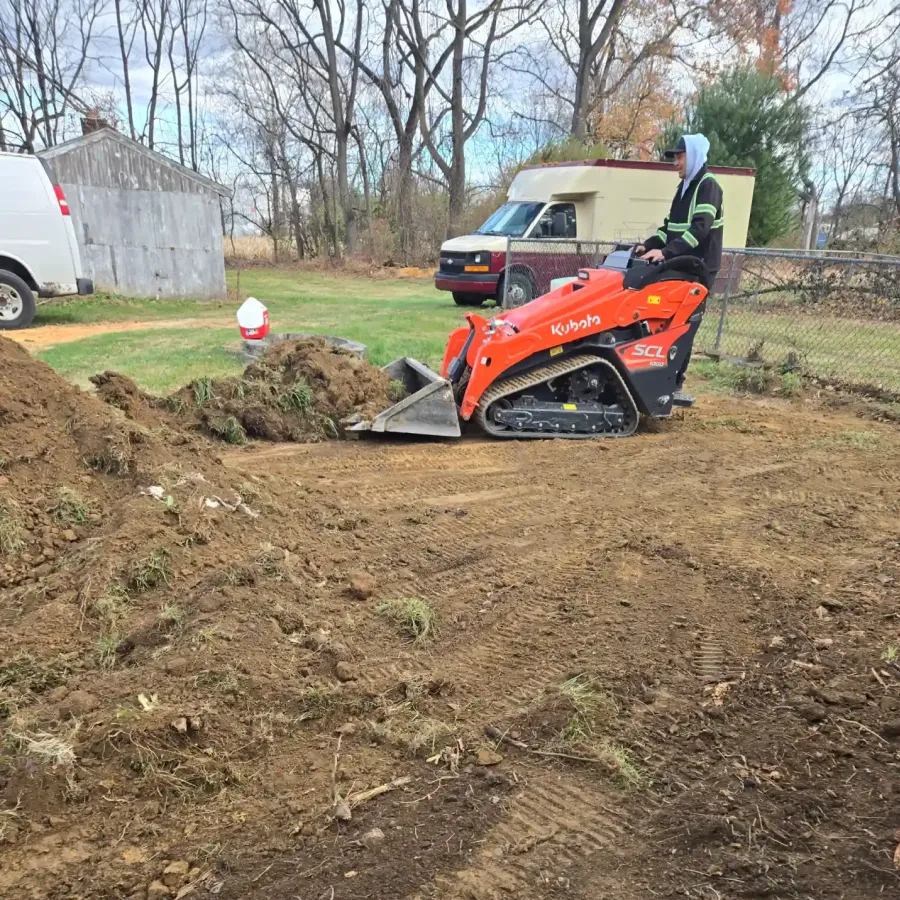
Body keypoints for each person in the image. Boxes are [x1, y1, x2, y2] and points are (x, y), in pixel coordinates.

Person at [636, 133, 724, 396]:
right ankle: (656, 374)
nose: (675, 162)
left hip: (698, 267)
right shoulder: (684, 188)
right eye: (674, 157)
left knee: (685, 325)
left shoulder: (708, 186)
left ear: (694, 155)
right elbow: (670, 228)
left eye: (679, 156)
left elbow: (700, 229)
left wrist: (665, 253)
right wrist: (650, 245)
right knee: (665, 321)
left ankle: (674, 383)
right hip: (680, 263)